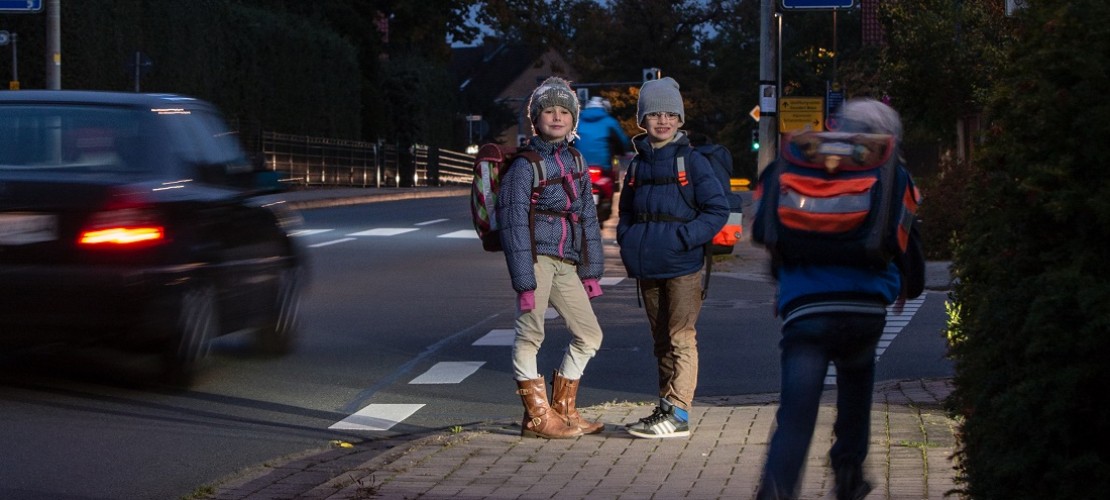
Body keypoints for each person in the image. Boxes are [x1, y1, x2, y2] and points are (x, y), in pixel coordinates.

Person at [754, 98, 920, 500]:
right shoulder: (894, 174)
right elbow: (909, 252)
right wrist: (906, 288)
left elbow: (766, 232)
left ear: (835, 124)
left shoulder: (791, 166)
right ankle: (848, 474)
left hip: (805, 311)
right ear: (888, 138)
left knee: (797, 409)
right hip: (865, 309)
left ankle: (777, 487)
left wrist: (785, 281)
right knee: (855, 388)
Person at [616, 76, 729, 439]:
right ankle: (666, 407)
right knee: (661, 340)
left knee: (681, 337)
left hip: (682, 265)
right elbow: (627, 212)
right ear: (642, 120)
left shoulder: (692, 162)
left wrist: (684, 238)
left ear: (680, 120)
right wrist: (628, 240)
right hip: (648, 264)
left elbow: (716, 209)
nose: (662, 121)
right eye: (654, 114)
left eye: (670, 114)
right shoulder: (637, 165)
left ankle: (679, 412)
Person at [496, 76, 606, 439]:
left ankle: (564, 410)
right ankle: (537, 417)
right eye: (549, 111)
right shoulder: (524, 166)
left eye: (564, 111)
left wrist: (591, 271)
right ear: (536, 119)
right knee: (530, 335)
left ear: (573, 119)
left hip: (567, 262)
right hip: (537, 259)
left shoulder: (576, 159)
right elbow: (513, 224)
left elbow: (588, 217)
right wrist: (524, 281)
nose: (557, 118)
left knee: (589, 335)